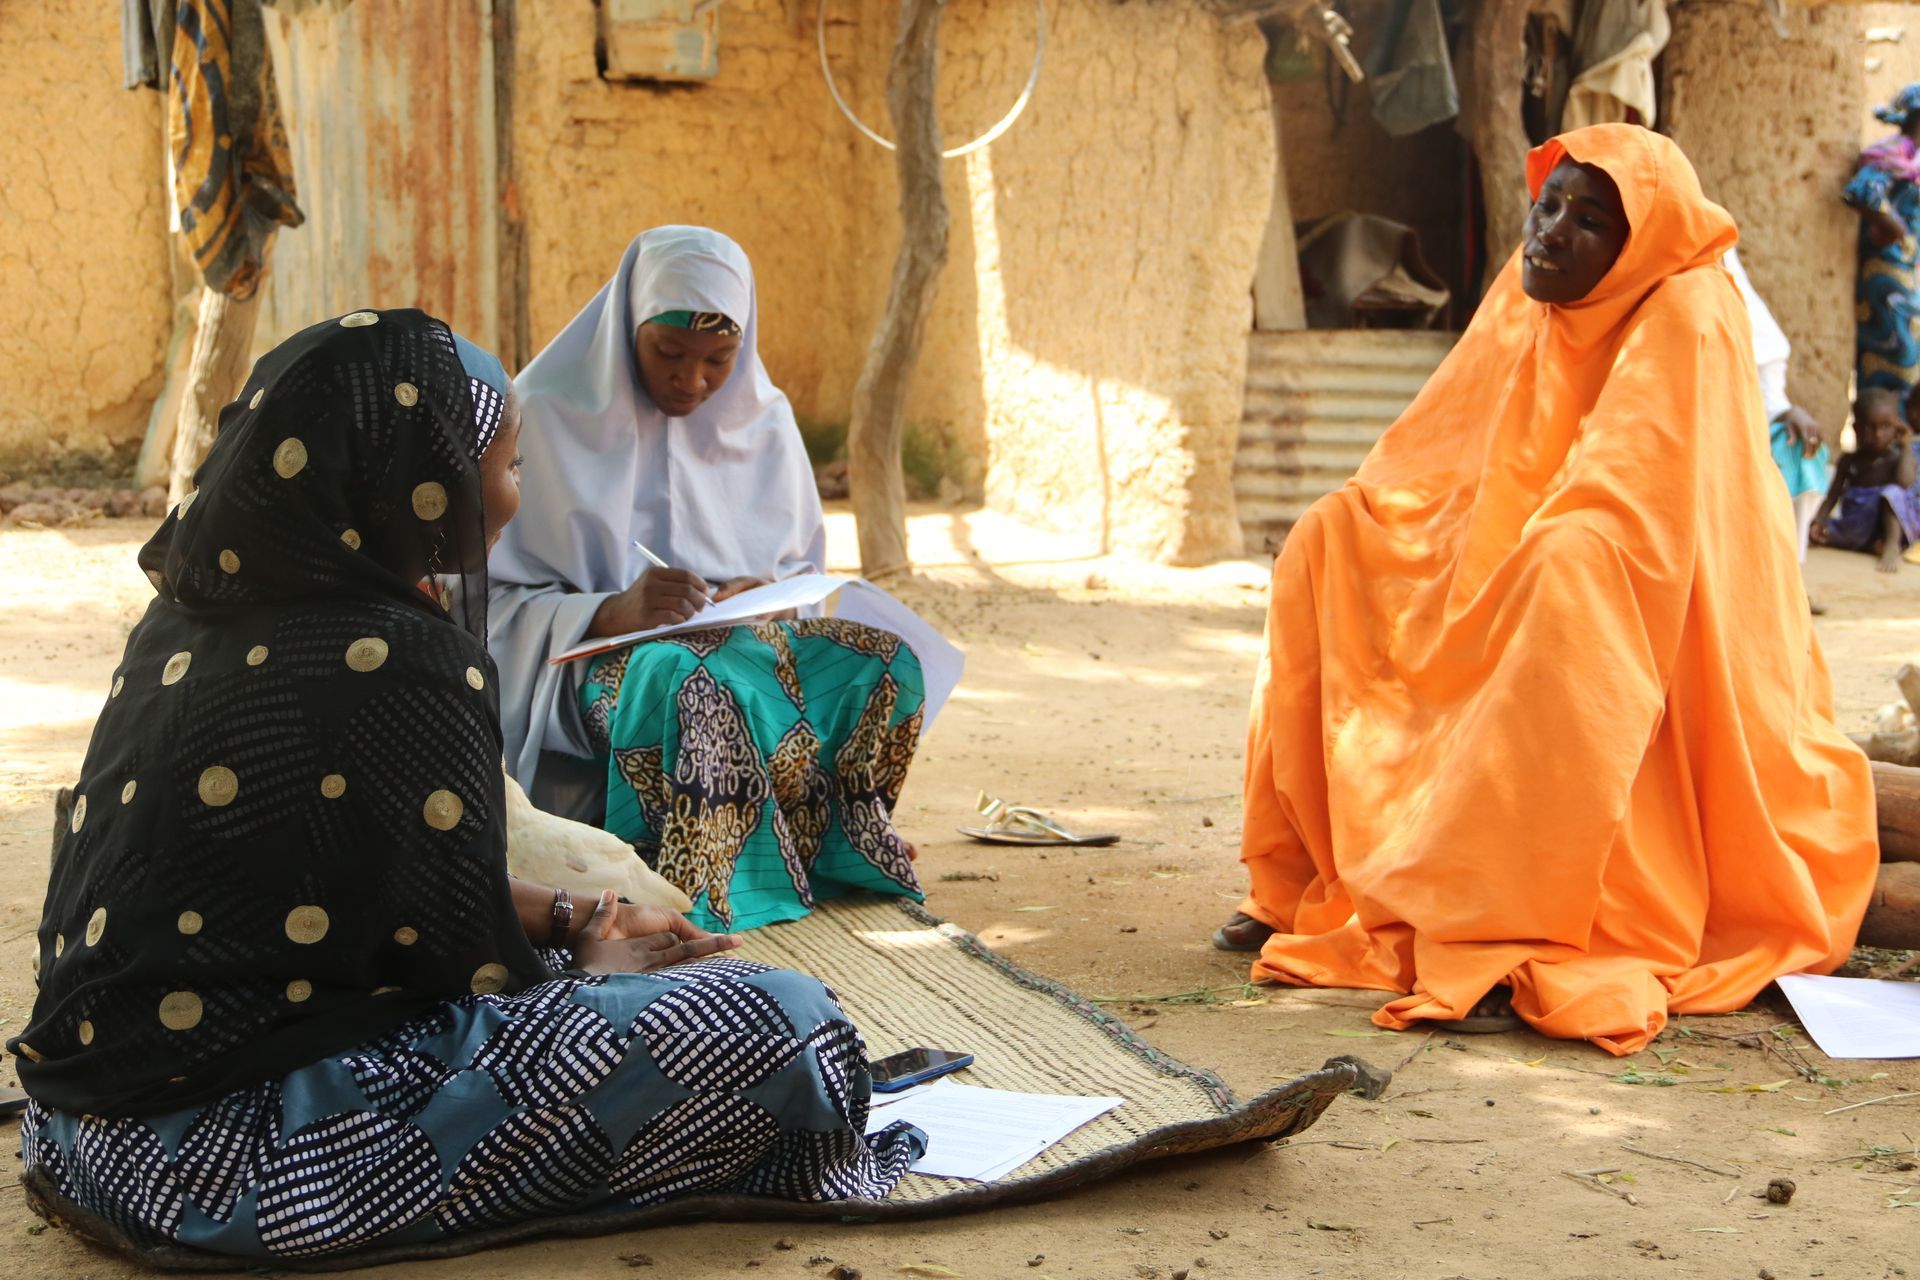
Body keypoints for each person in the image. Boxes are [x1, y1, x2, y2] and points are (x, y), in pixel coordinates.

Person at [10, 311, 922, 1261]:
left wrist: (575, 917)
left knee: (642, 975)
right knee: (785, 1021)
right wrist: (586, 984)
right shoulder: (400, 663)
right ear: (416, 476)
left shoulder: (185, 625)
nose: (515, 496)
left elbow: (367, 890)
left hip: (83, 1130)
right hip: (225, 1167)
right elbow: (459, 972)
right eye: (510, 467)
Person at [1212, 125, 1879, 1054]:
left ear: (1637, 242)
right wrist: (1402, 530)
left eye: (1588, 220)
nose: (1550, 233)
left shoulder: (1687, 305)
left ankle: (1508, 917)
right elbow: (1434, 455)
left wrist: (1530, 550)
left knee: (1570, 567)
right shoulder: (1526, 294)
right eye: (1548, 206)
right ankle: (1301, 882)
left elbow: (1635, 495)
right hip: (1519, 547)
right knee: (1331, 534)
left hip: (1658, 593)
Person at [489, 227, 924, 934]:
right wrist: (610, 610)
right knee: (689, 677)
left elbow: (799, 579)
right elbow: (484, 604)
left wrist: (762, 598)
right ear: (629, 329)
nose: (692, 381)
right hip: (594, 663)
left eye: (718, 360)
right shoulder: (541, 413)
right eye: (669, 354)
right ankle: (700, 893)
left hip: (740, 646)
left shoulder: (767, 422)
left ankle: (829, 849)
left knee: (880, 660)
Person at [1723, 248, 1830, 589]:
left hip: (1743, 436)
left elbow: (1770, 399)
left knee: (1801, 453)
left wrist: (1790, 411)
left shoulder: (1754, 323)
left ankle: (1788, 580)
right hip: (1694, 439)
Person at [1845, 84, 1920, 400]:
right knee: (1897, 357)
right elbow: (1862, 192)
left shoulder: (1912, 159)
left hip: (1905, 273)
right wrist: (1897, 231)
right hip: (1885, 275)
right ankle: (1883, 436)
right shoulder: (1893, 152)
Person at [1810, 387, 1920, 573]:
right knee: (1815, 533)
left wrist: (1907, 446)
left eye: (1886, 427)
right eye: (1870, 427)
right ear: (1856, 429)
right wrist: (1819, 519)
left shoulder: (1896, 457)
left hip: (1886, 528)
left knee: (1892, 493)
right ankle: (1869, 545)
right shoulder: (1849, 460)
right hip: (1857, 526)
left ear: (1897, 428)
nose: (1877, 434)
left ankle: (1891, 546)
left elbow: (1905, 483)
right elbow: (1833, 495)